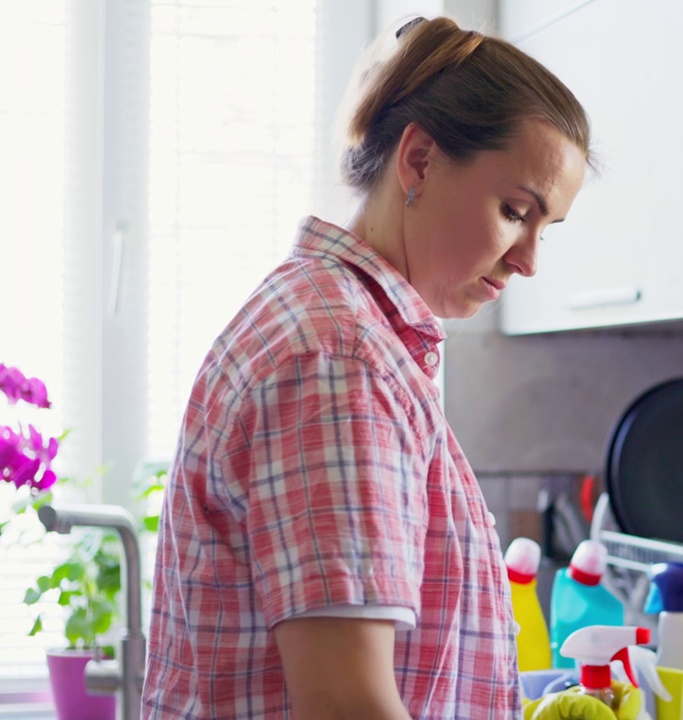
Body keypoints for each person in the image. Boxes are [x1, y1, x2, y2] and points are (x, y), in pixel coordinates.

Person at [142, 16, 589, 719]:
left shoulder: (342, 331)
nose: (529, 260)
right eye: (514, 211)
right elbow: (347, 703)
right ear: (418, 162)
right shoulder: (339, 361)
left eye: (544, 228)